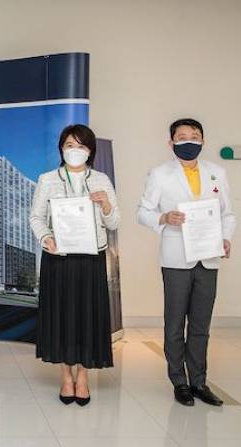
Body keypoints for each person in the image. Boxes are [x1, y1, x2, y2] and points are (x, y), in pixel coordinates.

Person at [137, 118, 235, 407]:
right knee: (175, 323)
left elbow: (227, 214)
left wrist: (226, 238)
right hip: (176, 258)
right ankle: (179, 381)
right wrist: (163, 217)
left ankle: (199, 382)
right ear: (171, 143)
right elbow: (142, 211)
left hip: (209, 256)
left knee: (201, 325)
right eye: (182, 137)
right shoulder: (160, 174)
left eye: (195, 136)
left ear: (203, 141)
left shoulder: (217, 173)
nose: (189, 140)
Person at [29, 124, 119, 406]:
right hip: (59, 258)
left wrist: (106, 206)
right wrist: (46, 238)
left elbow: (114, 222)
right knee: (62, 317)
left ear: (90, 151)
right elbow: (36, 217)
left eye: (81, 146)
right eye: (70, 145)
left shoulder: (101, 180)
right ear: (61, 149)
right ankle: (66, 376)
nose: (75, 150)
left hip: (91, 258)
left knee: (87, 317)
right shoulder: (47, 179)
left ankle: (83, 377)